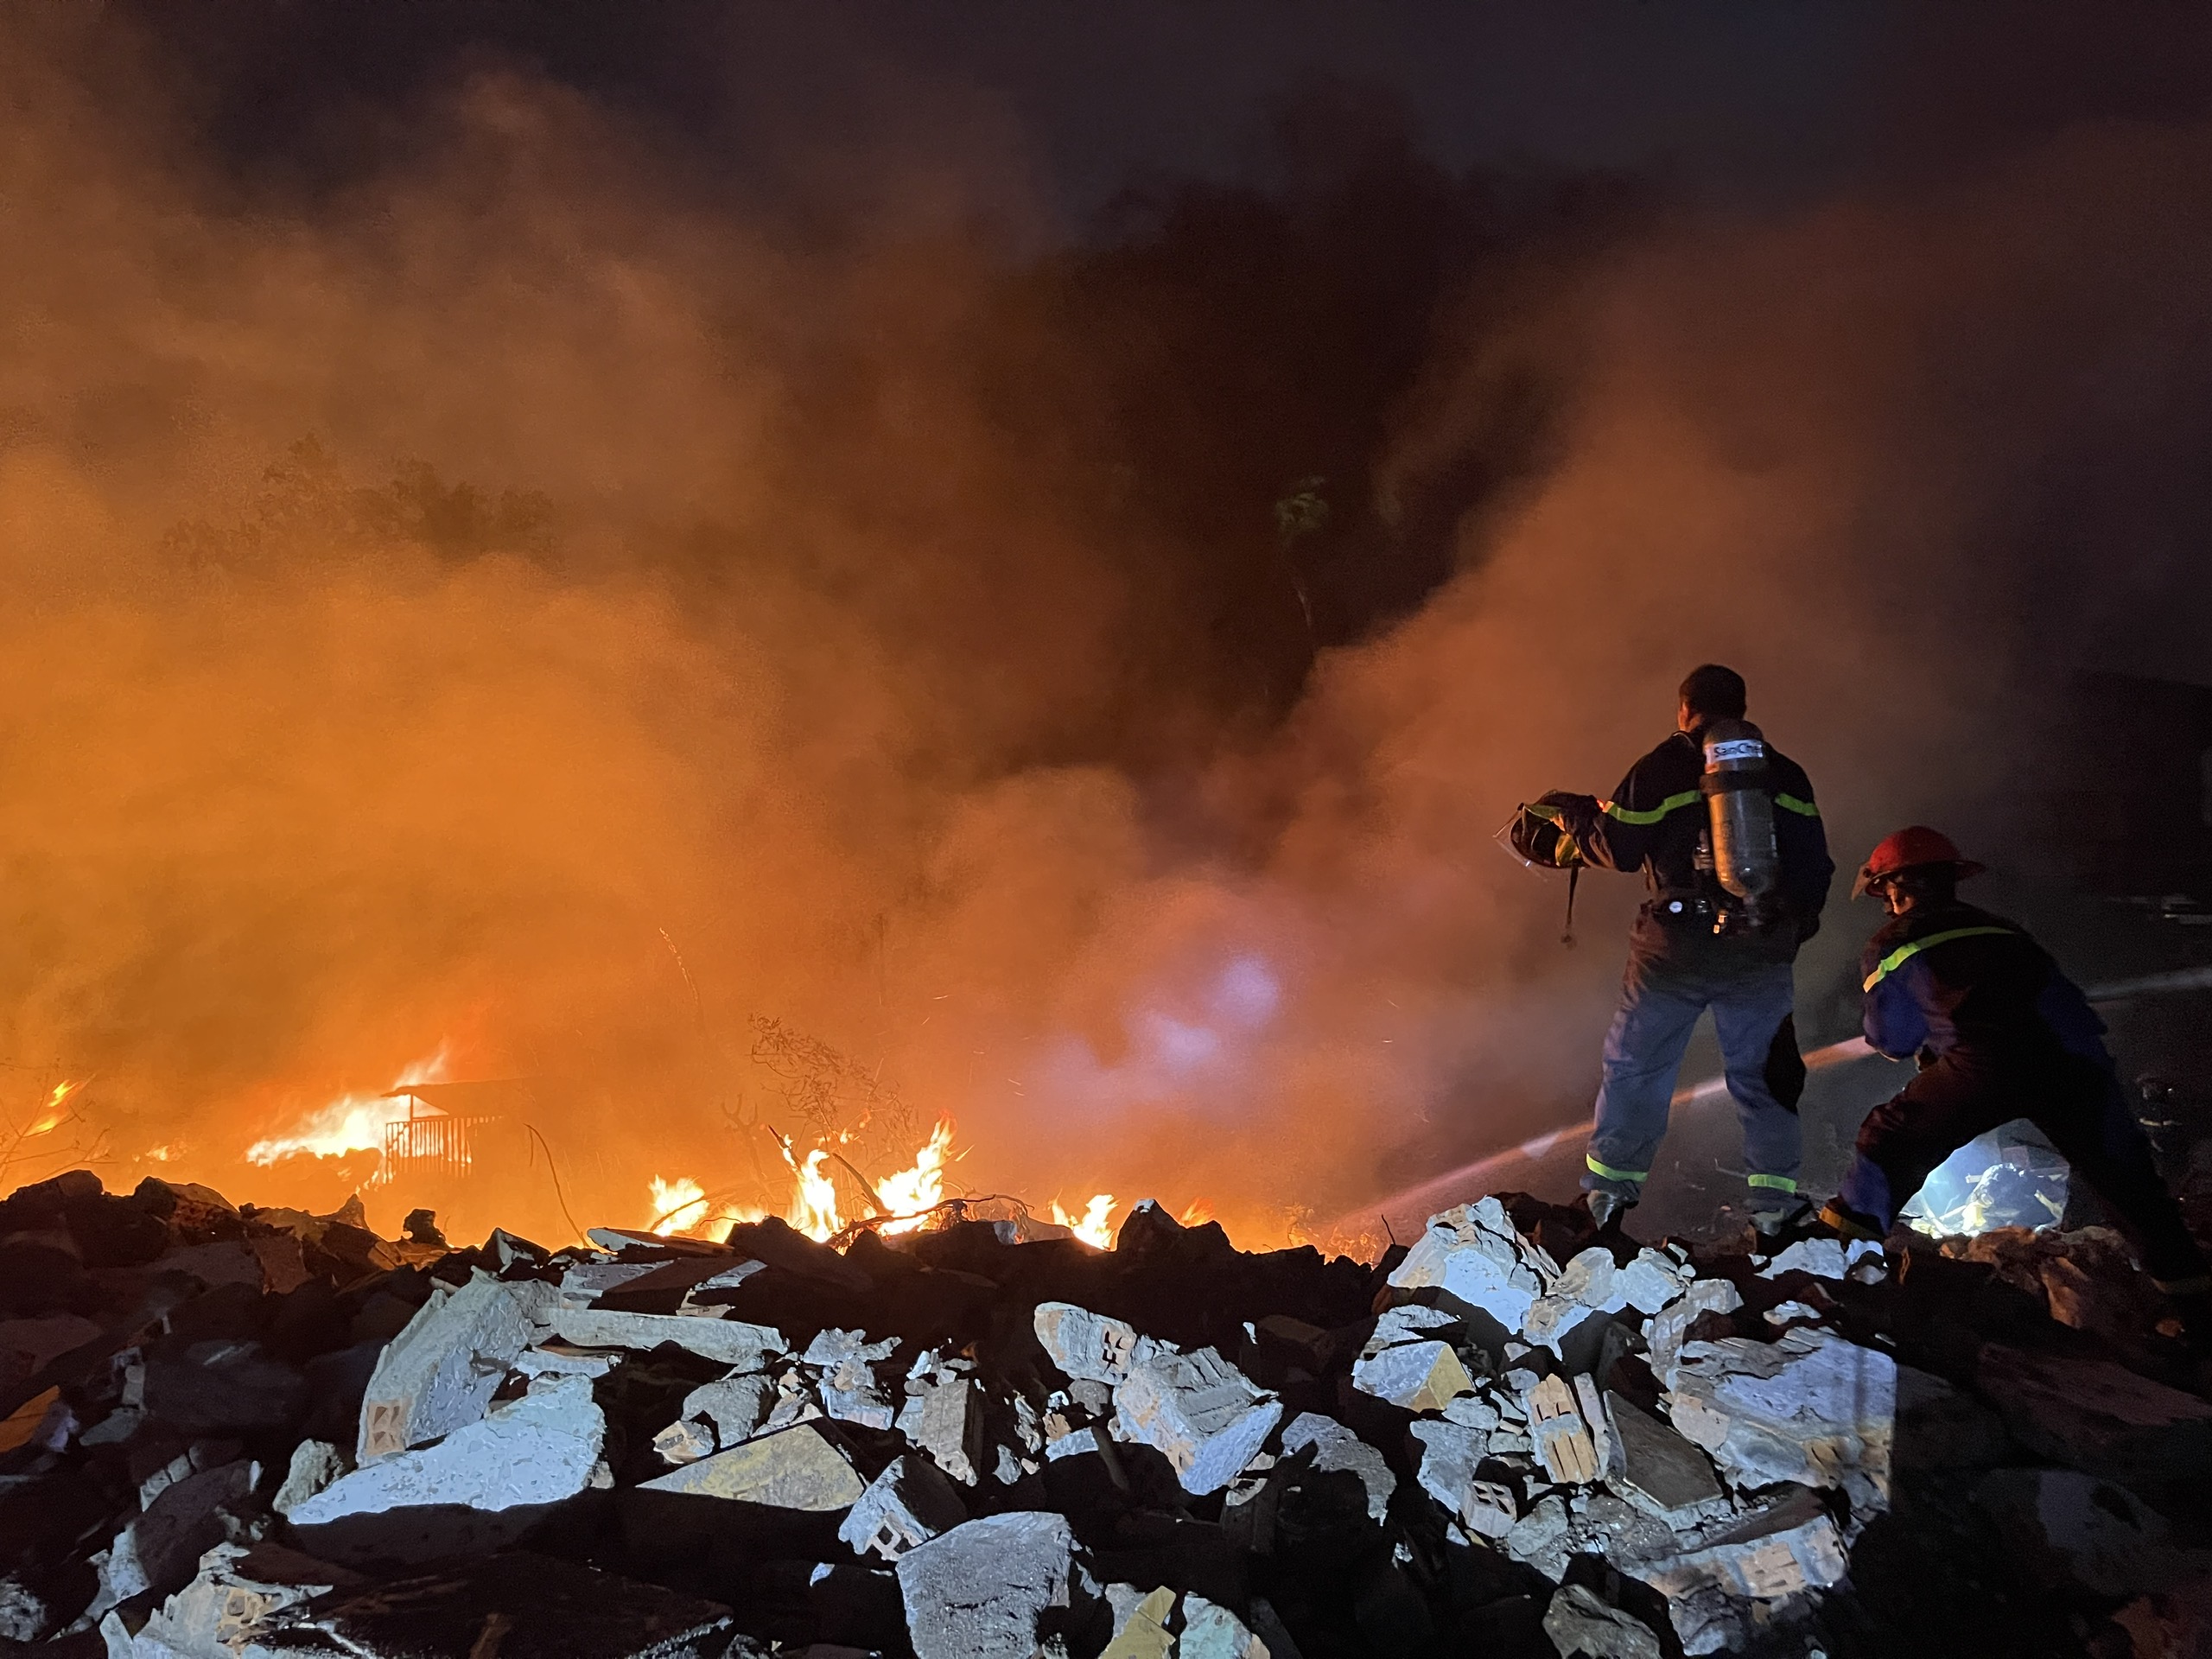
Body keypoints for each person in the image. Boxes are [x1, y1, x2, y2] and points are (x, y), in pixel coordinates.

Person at [1819, 828, 2212, 1307]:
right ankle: (2195, 1312)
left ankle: (1829, 1268)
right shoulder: (2003, 929)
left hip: (1986, 1061)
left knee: (1888, 1139)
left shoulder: (1894, 941)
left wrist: (1925, 1043)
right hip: (2076, 1060)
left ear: (1898, 886)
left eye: (1884, 892)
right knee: (2131, 1187)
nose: (1885, 904)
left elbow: (1893, 1041)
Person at [1547, 664, 1834, 1233]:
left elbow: (1619, 847)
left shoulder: (1662, 767)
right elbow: (1815, 866)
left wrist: (1576, 814)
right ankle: (1776, 1209)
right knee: (1765, 1077)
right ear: (1743, 708)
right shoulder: (1785, 775)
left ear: (1684, 710)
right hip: (1758, 949)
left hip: (1672, 952)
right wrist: (1787, 929)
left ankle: (1607, 1199)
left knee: (1637, 1068)